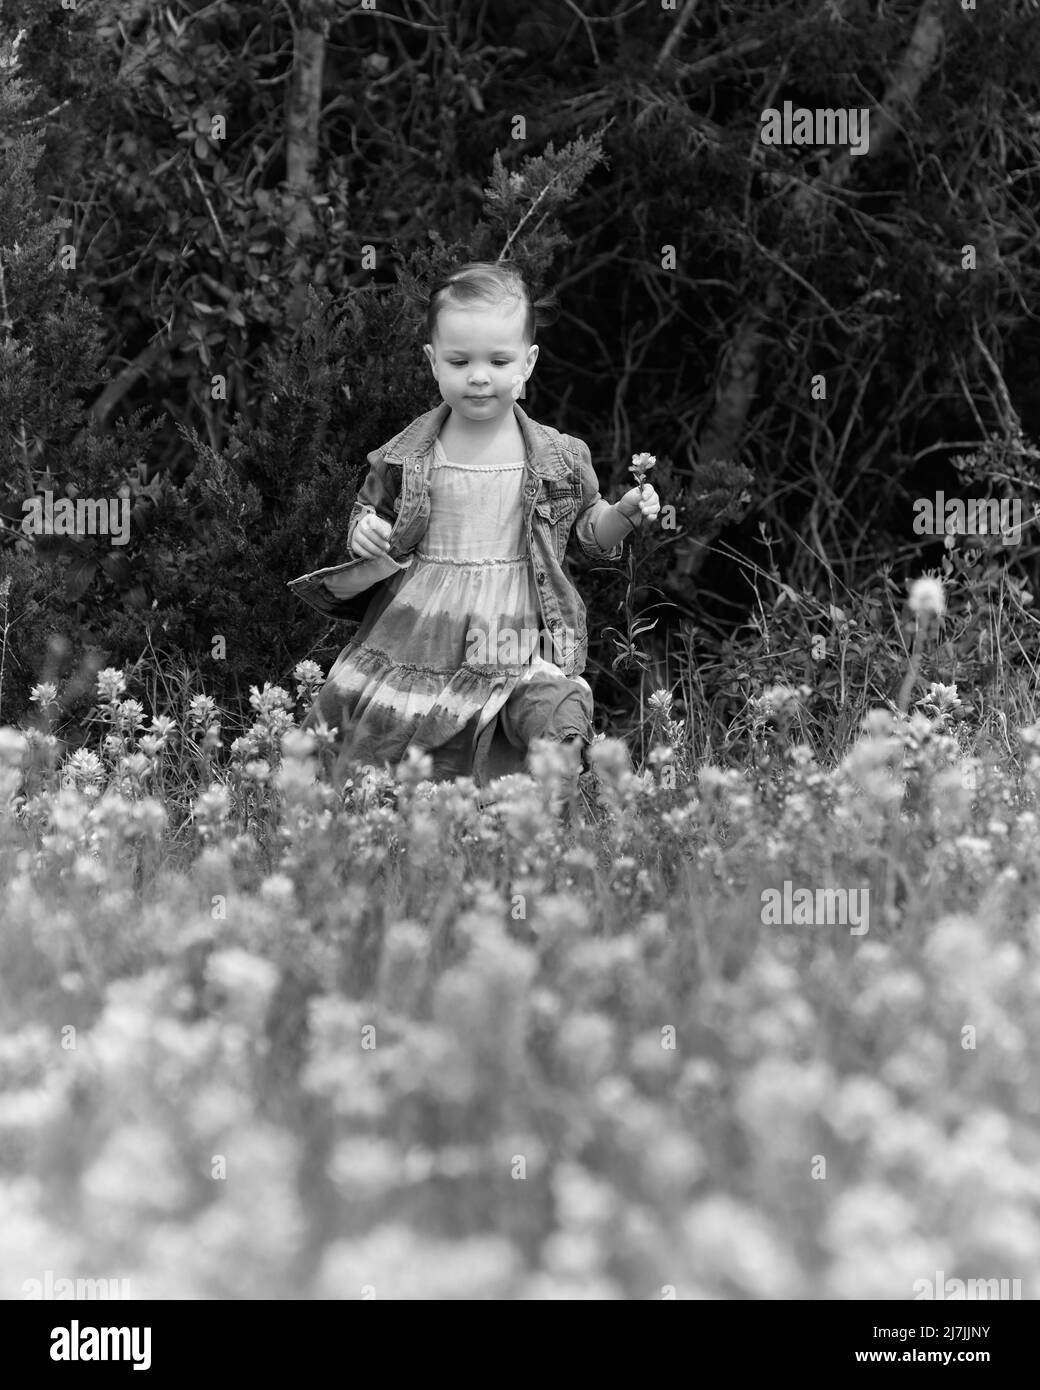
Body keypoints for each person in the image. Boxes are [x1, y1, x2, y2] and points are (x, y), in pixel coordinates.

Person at [287, 261, 661, 808]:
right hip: (422, 622)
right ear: (433, 362)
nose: (479, 375)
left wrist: (624, 513)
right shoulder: (407, 454)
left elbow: (588, 533)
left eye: (498, 360)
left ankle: (524, 810)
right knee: (414, 723)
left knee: (538, 708)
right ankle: (405, 814)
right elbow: (372, 513)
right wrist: (364, 530)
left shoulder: (559, 456)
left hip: (516, 621)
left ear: (528, 363)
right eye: (460, 361)